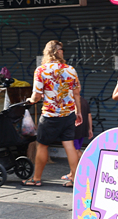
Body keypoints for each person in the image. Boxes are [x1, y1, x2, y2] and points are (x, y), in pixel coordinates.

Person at [25, 40, 82, 187]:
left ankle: (36, 178)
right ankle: (75, 178)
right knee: (69, 144)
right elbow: (76, 94)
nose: (63, 51)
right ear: (57, 51)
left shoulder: (41, 70)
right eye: (61, 49)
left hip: (50, 115)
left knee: (42, 145)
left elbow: (36, 96)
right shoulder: (71, 70)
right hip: (68, 114)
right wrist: (79, 112)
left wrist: (30, 100)